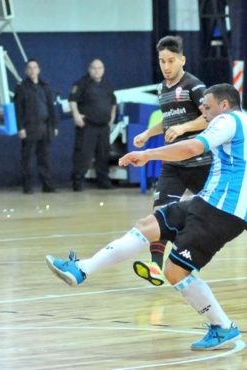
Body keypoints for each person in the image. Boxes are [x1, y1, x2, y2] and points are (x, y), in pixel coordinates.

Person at [46, 83, 246, 351]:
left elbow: (191, 149)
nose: (203, 112)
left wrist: (147, 154)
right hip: (207, 201)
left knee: (175, 271)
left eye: (207, 107)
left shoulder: (227, 120)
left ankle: (222, 326)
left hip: (220, 210)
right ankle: (82, 269)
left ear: (223, 105)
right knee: (148, 225)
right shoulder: (240, 122)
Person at [131, 36, 211, 286]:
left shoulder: (195, 86)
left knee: (227, 211)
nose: (166, 66)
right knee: (159, 212)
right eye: (162, 61)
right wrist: (147, 133)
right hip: (173, 165)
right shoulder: (162, 89)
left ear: (182, 60)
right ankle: (155, 266)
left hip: (200, 164)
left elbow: (208, 118)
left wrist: (184, 127)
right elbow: (167, 119)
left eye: (171, 60)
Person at [69, 58, 117, 191]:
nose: (97, 71)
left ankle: (103, 181)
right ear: (89, 69)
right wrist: (76, 115)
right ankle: (77, 182)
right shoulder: (81, 84)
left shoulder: (107, 84)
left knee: (103, 155)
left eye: (99, 68)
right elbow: (72, 100)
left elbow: (113, 102)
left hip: (103, 126)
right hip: (87, 126)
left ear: (103, 70)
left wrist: (112, 117)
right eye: (94, 68)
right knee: (83, 155)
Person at [14, 59, 58, 194]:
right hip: (29, 128)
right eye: (30, 68)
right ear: (26, 71)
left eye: (35, 67)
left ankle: (47, 185)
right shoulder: (21, 87)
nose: (32, 70)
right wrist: (20, 128)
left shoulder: (46, 86)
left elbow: (51, 107)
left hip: (45, 127)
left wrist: (54, 125)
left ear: (39, 70)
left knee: (45, 158)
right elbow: (18, 109)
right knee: (27, 159)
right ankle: (28, 187)